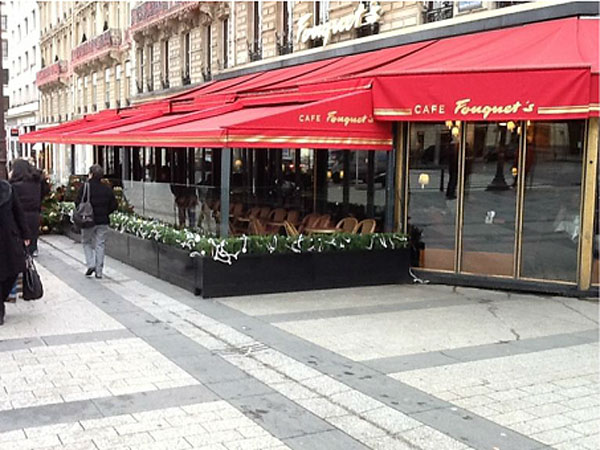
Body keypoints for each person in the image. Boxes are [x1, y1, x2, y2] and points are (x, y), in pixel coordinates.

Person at [75, 165, 118, 279]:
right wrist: (105, 212)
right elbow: (114, 205)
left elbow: (77, 202)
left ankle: (91, 264)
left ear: (91, 174)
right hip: (103, 221)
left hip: (88, 220)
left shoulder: (85, 187)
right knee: (100, 244)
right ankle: (99, 271)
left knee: (86, 242)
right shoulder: (106, 188)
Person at [0, 179, 31, 325]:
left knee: (13, 271)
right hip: (8, 238)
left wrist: (25, 234)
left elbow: (18, 212)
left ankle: (1, 298)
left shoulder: (7, 189)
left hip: (8, 238)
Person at [9, 159, 50, 256]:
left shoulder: (13, 185)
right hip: (34, 213)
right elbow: (45, 191)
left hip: (18, 215)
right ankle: (32, 250)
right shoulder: (36, 183)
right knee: (32, 236)